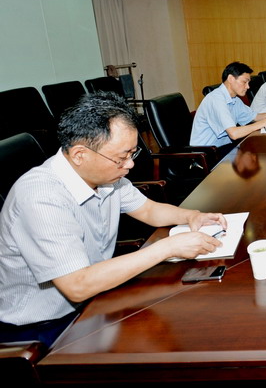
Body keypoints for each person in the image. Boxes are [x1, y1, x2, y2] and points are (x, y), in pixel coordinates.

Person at [0, 92, 228, 347]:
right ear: (79, 154)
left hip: (96, 298)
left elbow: (148, 211)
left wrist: (192, 215)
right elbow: (77, 285)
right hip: (42, 328)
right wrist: (167, 248)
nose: (129, 165)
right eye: (121, 158)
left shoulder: (106, 177)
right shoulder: (41, 197)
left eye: (132, 153)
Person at [190, 61, 266, 148]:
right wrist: (264, 123)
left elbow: (254, 116)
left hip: (223, 147)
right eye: (244, 82)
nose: (248, 87)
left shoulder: (235, 99)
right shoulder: (216, 99)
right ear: (231, 79)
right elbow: (234, 134)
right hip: (206, 152)